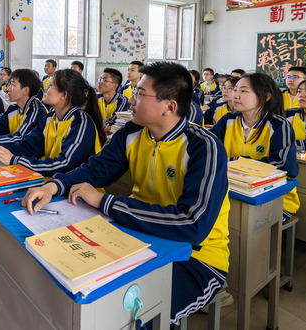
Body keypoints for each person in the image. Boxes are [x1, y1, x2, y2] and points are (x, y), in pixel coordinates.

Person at [22, 62, 230, 325]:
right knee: (80, 287)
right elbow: (96, 169)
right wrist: (54, 186)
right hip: (135, 235)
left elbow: (191, 224)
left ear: (170, 106)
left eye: (140, 94)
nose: (131, 100)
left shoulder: (204, 147)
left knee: (144, 316)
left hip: (196, 257)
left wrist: (105, 202)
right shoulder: (132, 132)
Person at [211, 72, 299, 222]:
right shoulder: (227, 120)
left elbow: (283, 165)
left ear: (266, 97)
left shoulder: (279, 125)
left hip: (273, 195)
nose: (236, 95)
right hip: (233, 189)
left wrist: (233, 161)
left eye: (244, 91)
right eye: (236, 90)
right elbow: (210, 150)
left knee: (240, 221)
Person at [0, 69, 105, 176]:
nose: (46, 89)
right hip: (52, 181)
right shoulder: (50, 118)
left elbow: (65, 164)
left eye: (51, 86)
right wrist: (0, 150)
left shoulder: (81, 123)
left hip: (79, 191)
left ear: (64, 95)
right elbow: (29, 146)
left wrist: (14, 160)